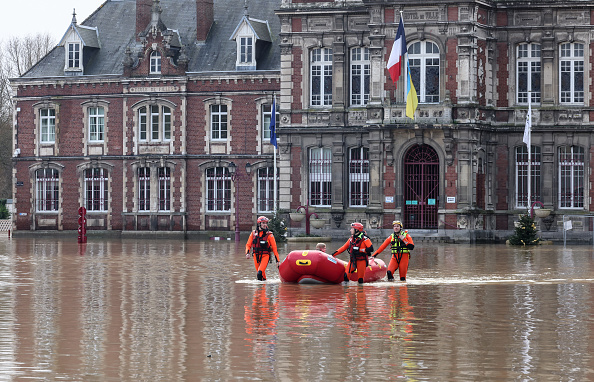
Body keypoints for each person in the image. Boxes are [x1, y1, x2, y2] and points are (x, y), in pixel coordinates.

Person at [245, 216, 280, 281]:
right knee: (261, 275)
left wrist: (277, 261)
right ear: (259, 224)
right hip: (256, 256)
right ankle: (261, 289)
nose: (265, 225)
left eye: (266, 223)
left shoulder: (269, 235)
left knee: (260, 272)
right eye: (263, 223)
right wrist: (247, 253)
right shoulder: (253, 234)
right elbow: (248, 245)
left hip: (265, 256)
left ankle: (261, 289)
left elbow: (275, 249)